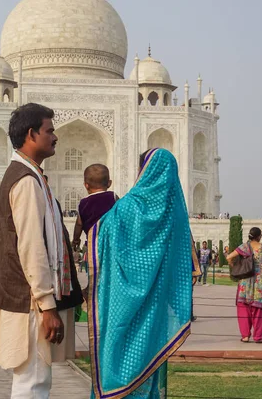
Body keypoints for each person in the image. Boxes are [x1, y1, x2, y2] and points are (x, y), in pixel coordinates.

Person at [0, 103, 83, 397]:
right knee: (33, 380)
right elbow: (31, 246)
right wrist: (46, 304)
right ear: (31, 134)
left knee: (34, 378)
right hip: (30, 300)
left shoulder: (32, 176)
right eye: (49, 130)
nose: (55, 137)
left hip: (26, 297)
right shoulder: (26, 181)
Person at [87, 148, 193, 397]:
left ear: (143, 171)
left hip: (122, 302)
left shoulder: (126, 208)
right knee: (152, 356)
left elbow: (101, 236)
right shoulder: (176, 214)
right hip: (157, 304)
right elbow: (181, 265)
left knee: (119, 354)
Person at [227, 227, 262, 344]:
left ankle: (245, 336)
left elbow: (229, 257)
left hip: (245, 282)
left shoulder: (244, 247)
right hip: (259, 282)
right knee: (259, 310)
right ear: (259, 236)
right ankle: (258, 337)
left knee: (243, 309)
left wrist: (236, 267)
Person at [71, 164, 117, 250]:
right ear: (109, 183)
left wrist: (75, 240)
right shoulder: (113, 197)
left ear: (86, 185)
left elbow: (79, 224)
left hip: (92, 245)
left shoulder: (83, 203)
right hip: (111, 244)